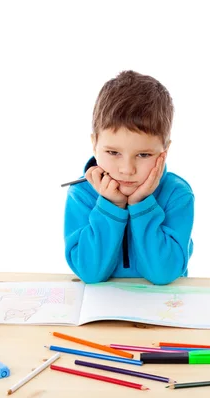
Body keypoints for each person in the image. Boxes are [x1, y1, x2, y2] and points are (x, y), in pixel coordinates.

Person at [63, 70, 194, 285]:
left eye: (143, 155)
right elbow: (89, 273)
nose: (127, 169)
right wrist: (111, 205)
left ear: (164, 151)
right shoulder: (82, 194)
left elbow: (163, 273)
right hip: (103, 312)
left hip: (162, 311)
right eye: (113, 153)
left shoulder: (177, 194)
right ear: (95, 145)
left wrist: (141, 204)